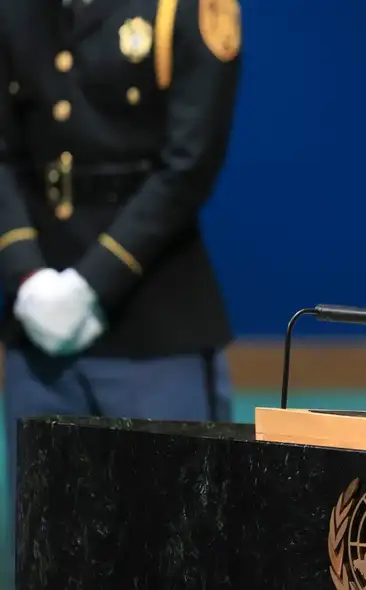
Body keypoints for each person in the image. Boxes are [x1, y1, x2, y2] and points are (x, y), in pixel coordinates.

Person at [0, 0, 241, 500]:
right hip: (36, 324)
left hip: (152, 324)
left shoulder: (187, 8)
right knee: (45, 545)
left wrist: (91, 285)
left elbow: (189, 164)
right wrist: (27, 276)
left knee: (173, 540)